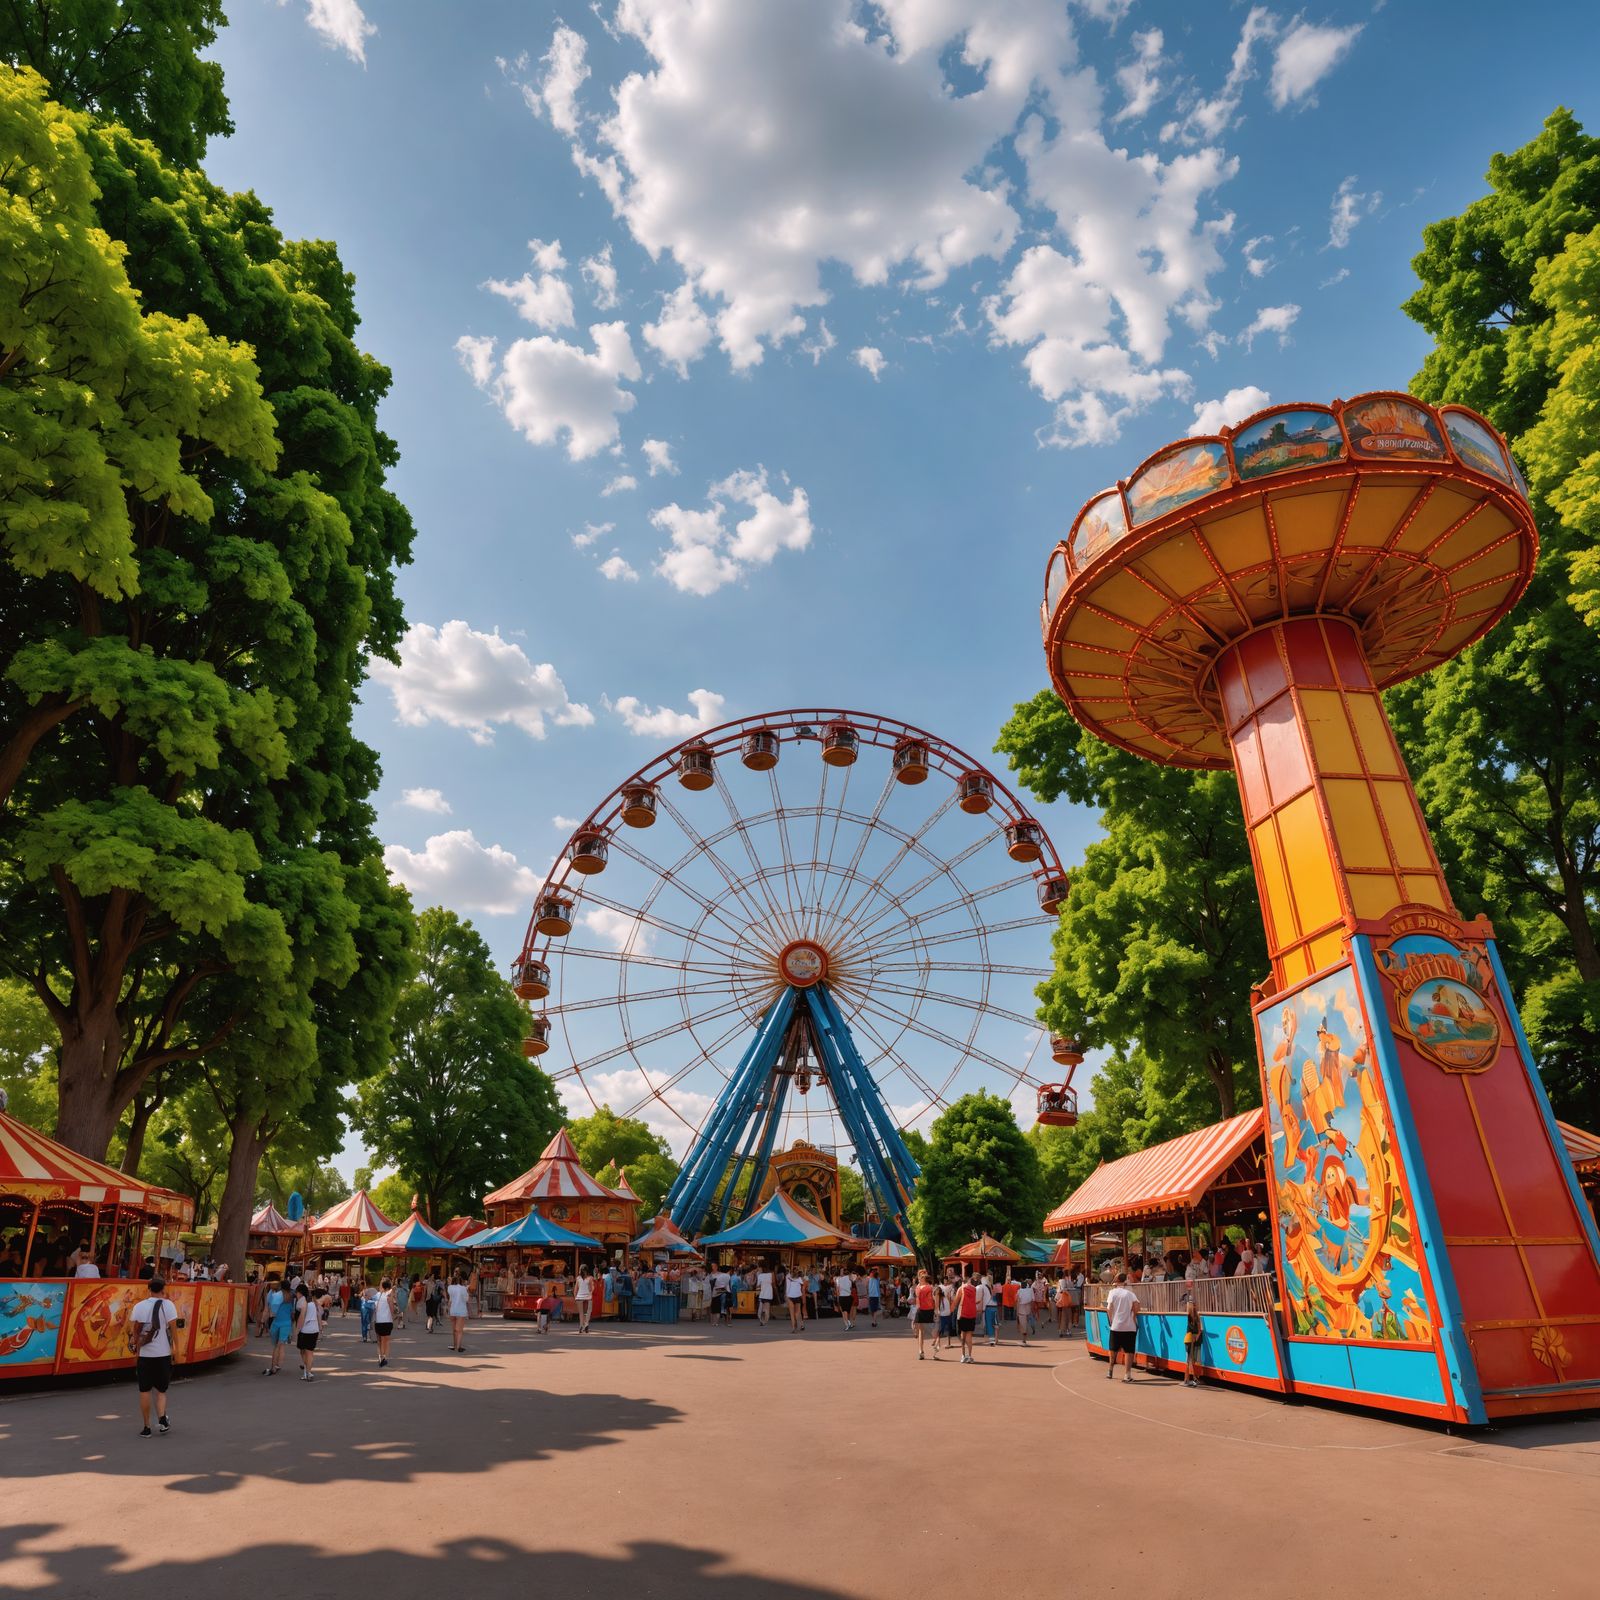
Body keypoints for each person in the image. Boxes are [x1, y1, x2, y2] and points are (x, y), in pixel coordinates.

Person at [128, 1275, 182, 1435]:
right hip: (163, 1353)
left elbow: (133, 1331)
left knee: (144, 1391)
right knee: (161, 1391)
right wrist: (176, 1349)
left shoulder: (139, 1306)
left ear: (149, 1289)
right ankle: (162, 1419)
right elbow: (173, 1330)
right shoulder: (169, 1305)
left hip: (144, 1354)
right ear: (164, 1289)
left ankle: (146, 1427)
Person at [1105, 1272, 1139, 1383]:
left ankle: (1110, 1370)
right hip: (1129, 1326)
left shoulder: (1112, 1293)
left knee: (1113, 1349)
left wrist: (1111, 1320)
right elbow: (1136, 1308)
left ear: (1116, 1281)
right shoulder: (1130, 1294)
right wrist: (1133, 1318)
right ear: (1125, 1281)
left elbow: (1109, 1308)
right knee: (1129, 1351)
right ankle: (1127, 1374)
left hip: (1116, 1326)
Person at [294, 1279, 326, 1381]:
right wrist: (320, 1329)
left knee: (303, 1351)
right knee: (310, 1352)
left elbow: (301, 1317)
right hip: (314, 1330)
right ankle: (309, 1372)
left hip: (305, 1330)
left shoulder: (302, 1304)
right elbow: (319, 1315)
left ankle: (307, 1372)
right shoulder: (315, 1304)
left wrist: (297, 1330)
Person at [263, 1278, 293, 1375]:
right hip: (286, 1323)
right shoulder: (292, 1296)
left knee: (276, 1346)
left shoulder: (276, 1295)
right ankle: (278, 1365)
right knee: (281, 1345)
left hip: (276, 1322)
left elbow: (271, 1309)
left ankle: (273, 1367)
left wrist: (265, 1320)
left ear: (281, 1286)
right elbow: (293, 1312)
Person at [955, 1273, 985, 1364]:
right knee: (969, 1336)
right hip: (971, 1314)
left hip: (962, 1314)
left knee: (962, 1336)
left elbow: (956, 1301)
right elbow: (974, 1301)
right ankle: (969, 1355)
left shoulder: (961, 1289)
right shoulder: (974, 1290)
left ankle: (963, 1355)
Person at [911, 1269, 937, 1360]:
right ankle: (921, 1351)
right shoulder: (917, 1287)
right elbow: (916, 1299)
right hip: (920, 1310)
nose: (920, 1277)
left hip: (929, 1309)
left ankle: (935, 1345)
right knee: (920, 1331)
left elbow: (935, 1299)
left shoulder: (930, 1287)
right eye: (919, 1275)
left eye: (922, 1276)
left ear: (925, 1277)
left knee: (932, 1330)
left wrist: (936, 1310)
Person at [371, 1278, 395, 1368]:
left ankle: (380, 1357)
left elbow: (374, 1306)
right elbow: (391, 1307)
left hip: (378, 1321)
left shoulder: (378, 1295)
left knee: (380, 1341)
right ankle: (384, 1357)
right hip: (387, 1320)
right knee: (386, 1340)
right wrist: (393, 1315)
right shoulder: (389, 1294)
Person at [1182, 1291, 1204, 1388]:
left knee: (1188, 1360)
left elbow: (1190, 1329)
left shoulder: (1188, 1316)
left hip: (1188, 1339)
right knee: (1192, 1360)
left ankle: (1186, 1380)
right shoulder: (1196, 1316)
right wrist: (1197, 1336)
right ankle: (1193, 1378)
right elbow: (1199, 1329)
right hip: (1193, 1339)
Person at [446, 1271, 471, 1351]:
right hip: (461, 1311)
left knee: (454, 1330)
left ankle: (454, 1345)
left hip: (453, 1310)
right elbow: (467, 1300)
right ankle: (459, 1347)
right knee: (459, 1330)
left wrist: (448, 1309)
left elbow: (450, 1300)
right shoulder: (463, 1289)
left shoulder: (450, 1288)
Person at [982, 1271, 1001, 1345]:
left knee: (989, 1324)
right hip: (995, 1307)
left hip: (988, 1307)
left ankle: (992, 1340)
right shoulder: (996, 1286)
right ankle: (996, 1339)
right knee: (996, 1324)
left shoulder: (985, 1287)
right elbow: (998, 1297)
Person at [1015, 1275, 1034, 1347]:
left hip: (1021, 1308)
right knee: (1025, 1323)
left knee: (1023, 1324)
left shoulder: (1019, 1291)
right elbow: (1033, 1300)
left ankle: (1024, 1339)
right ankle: (1024, 1338)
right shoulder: (1030, 1290)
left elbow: (1018, 1301)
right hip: (1028, 1308)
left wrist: (1017, 1311)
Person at [785, 1266, 805, 1331]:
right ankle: (798, 1325)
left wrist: (786, 1295)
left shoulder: (788, 1277)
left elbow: (787, 1287)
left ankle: (795, 1326)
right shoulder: (799, 1279)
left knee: (793, 1313)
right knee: (797, 1313)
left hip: (790, 1296)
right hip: (796, 1296)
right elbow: (803, 1287)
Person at [575, 1266, 594, 1332]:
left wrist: (575, 1297)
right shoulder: (590, 1278)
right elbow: (591, 1289)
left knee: (581, 1313)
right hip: (587, 1297)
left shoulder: (578, 1278)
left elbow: (576, 1289)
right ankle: (586, 1324)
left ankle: (581, 1326)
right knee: (587, 1312)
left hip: (579, 1297)